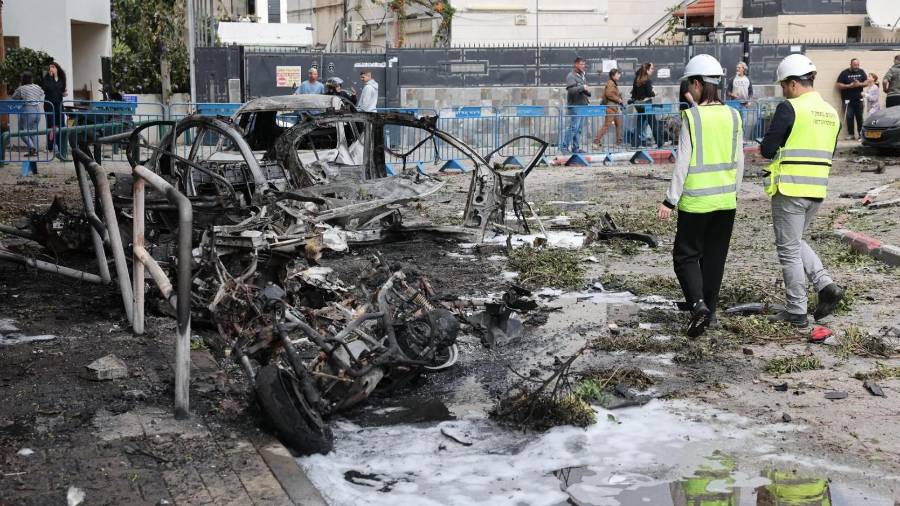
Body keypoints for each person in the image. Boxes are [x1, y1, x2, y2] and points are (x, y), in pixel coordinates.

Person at [657, 54, 743, 338]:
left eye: (689, 85)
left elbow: (683, 161)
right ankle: (710, 307)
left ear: (697, 83)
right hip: (726, 201)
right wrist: (733, 192)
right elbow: (739, 161)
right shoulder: (734, 115)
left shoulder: (691, 117)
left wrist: (670, 199)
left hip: (696, 202)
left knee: (685, 256)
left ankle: (698, 306)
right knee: (714, 258)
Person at [761, 54, 844, 328]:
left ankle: (796, 309)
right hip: (817, 189)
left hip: (791, 188)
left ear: (794, 83)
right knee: (795, 242)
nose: (783, 90)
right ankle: (825, 286)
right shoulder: (831, 112)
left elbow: (767, 149)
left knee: (787, 249)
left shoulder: (790, 108)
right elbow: (829, 152)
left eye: (784, 85)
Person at [11, 71, 46, 158]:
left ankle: (32, 147)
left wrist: (20, 88)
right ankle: (34, 151)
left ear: (22, 79)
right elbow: (42, 93)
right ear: (31, 79)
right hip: (38, 110)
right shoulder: (37, 86)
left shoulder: (22, 88)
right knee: (33, 132)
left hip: (28, 109)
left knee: (22, 131)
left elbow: (14, 97)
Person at [835, 58, 871, 140]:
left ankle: (861, 134)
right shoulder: (844, 73)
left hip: (859, 99)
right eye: (855, 65)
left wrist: (859, 84)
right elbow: (838, 85)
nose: (857, 67)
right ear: (850, 64)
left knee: (859, 117)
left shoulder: (861, 71)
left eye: (858, 65)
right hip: (847, 100)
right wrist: (849, 86)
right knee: (849, 117)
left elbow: (866, 82)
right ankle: (851, 134)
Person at [561, 57, 590, 154]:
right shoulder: (571, 76)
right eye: (581, 64)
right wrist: (582, 87)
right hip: (575, 106)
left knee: (579, 129)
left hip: (583, 105)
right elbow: (571, 90)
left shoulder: (582, 75)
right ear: (576, 64)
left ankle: (576, 148)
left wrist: (586, 91)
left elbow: (582, 89)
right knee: (573, 128)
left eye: (584, 64)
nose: (583, 66)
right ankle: (564, 147)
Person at [631, 62, 662, 149]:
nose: (653, 70)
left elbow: (633, 93)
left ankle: (635, 143)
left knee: (639, 124)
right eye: (651, 69)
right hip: (647, 104)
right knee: (653, 123)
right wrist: (654, 93)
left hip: (639, 104)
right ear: (647, 70)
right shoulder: (647, 80)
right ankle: (660, 143)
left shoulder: (636, 79)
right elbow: (649, 93)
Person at [41, 62, 67, 154]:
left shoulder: (61, 79)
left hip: (59, 105)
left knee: (60, 125)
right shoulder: (47, 79)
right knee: (51, 125)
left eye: (53, 67)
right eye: (50, 67)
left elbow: (63, 90)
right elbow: (46, 88)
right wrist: (50, 76)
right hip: (49, 105)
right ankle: (50, 146)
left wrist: (64, 93)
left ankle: (61, 146)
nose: (51, 68)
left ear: (57, 68)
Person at [593, 68, 623, 147]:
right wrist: (618, 99)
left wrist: (619, 98)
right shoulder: (610, 83)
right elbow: (609, 93)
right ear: (613, 75)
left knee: (619, 124)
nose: (619, 75)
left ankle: (618, 143)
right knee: (607, 125)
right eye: (618, 74)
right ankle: (596, 141)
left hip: (614, 107)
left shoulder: (613, 83)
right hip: (611, 107)